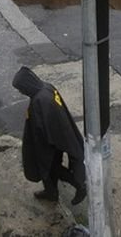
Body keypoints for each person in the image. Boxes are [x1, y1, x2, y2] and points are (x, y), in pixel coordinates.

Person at [12, 66, 87, 204]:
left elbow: (42, 127)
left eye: (20, 88)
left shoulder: (40, 100)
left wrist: (40, 146)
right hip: (57, 136)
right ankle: (51, 193)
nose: (20, 91)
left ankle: (79, 186)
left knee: (51, 167)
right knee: (49, 168)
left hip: (50, 142)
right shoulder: (46, 88)